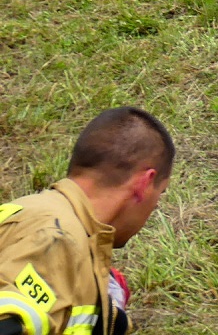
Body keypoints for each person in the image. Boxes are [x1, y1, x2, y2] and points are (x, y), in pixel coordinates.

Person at [1, 107, 175, 335]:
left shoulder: (42, 216)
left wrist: (105, 316)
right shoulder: (55, 238)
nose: (156, 206)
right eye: (160, 193)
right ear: (144, 183)